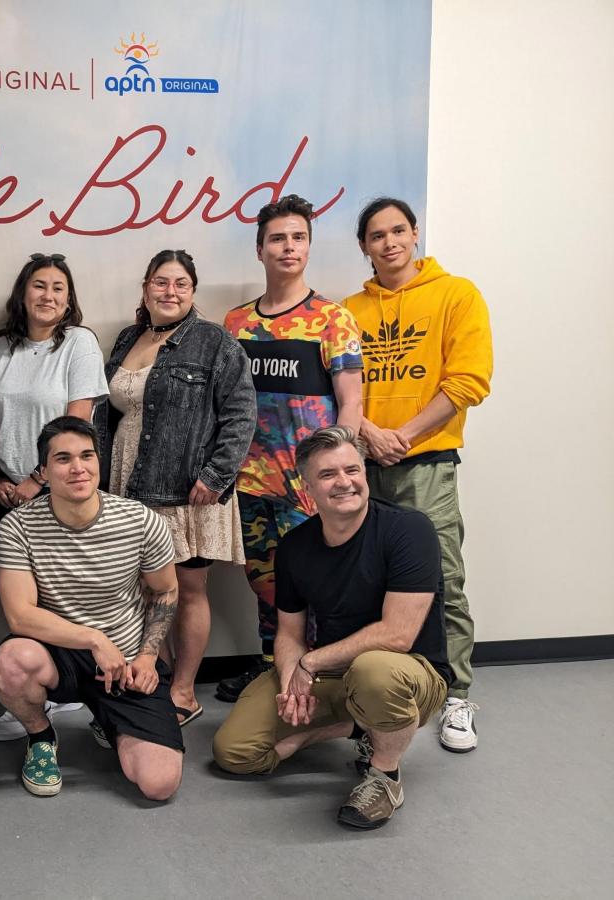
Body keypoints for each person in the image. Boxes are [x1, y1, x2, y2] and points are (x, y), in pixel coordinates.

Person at [212, 426, 451, 830]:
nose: (345, 482)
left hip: (408, 672)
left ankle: (384, 776)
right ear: (308, 488)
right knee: (235, 752)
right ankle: (358, 724)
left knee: (375, 671)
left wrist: (312, 662)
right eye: (328, 475)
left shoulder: (408, 530)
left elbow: (398, 635)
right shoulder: (295, 548)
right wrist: (291, 681)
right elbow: (289, 632)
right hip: (334, 672)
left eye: (352, 470)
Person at [344, 198, 492, 752]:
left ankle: (456, 695)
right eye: (377, 235)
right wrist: (370, 436)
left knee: (442, 578)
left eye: (398, 231)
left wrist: (402, 435)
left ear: (414, 233)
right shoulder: (349, 310)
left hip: (425, 463)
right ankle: (373, 697)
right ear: (364, 245)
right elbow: (338, 390)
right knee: (365, 581)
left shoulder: (457, 294)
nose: (389, 243)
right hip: (362, 464)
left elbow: (467, 382)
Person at [94, 250, 256, 727]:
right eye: (161, 283)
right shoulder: (128, 338)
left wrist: (216, 475)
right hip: (128, 479)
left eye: (180, 284)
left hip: (188, 485)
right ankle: (155, 679)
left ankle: (183, 690)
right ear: (145, 288)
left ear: (192, 291)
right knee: (145, 589)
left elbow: (242, 412)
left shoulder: (214, 343)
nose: (170, 292)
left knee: (187, 588)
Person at [0, 416, 184, 800]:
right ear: (44, 471)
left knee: (159, 785)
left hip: (127, 661)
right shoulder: (18, 527)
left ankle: (109, 719)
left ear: (99, 462)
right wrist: (94, 639)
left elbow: (165, 592)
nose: (77, 468)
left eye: (87, 456)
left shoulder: (140, 521)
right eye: (63, 459)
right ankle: (41, 737)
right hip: (60, 654)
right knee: (13, 660)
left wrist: (147, 658)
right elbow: (20, 615)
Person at [218, 195, 363, 703]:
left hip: (310, 489)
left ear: (309, 246)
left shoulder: (332, 319)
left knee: (318, 589)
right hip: (251, 483)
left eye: (298, 237)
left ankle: (323, 683)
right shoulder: (235, 324)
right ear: (260, 249)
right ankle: (268, 673)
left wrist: (339, 475)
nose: (288, 247)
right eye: (277, 238)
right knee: (265, 585)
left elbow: (351, 403)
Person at [0, 252, 107, 741]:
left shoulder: (78, 343)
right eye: (39, 286)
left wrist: (38, 477)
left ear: (69, 298)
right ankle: (29, 693)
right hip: (8, 494)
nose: (48, 296)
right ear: (22, 293)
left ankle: (68, 691)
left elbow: (78, 422)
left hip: (57, 489)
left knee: (64, 591)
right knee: (21, 598)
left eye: (58, 288)